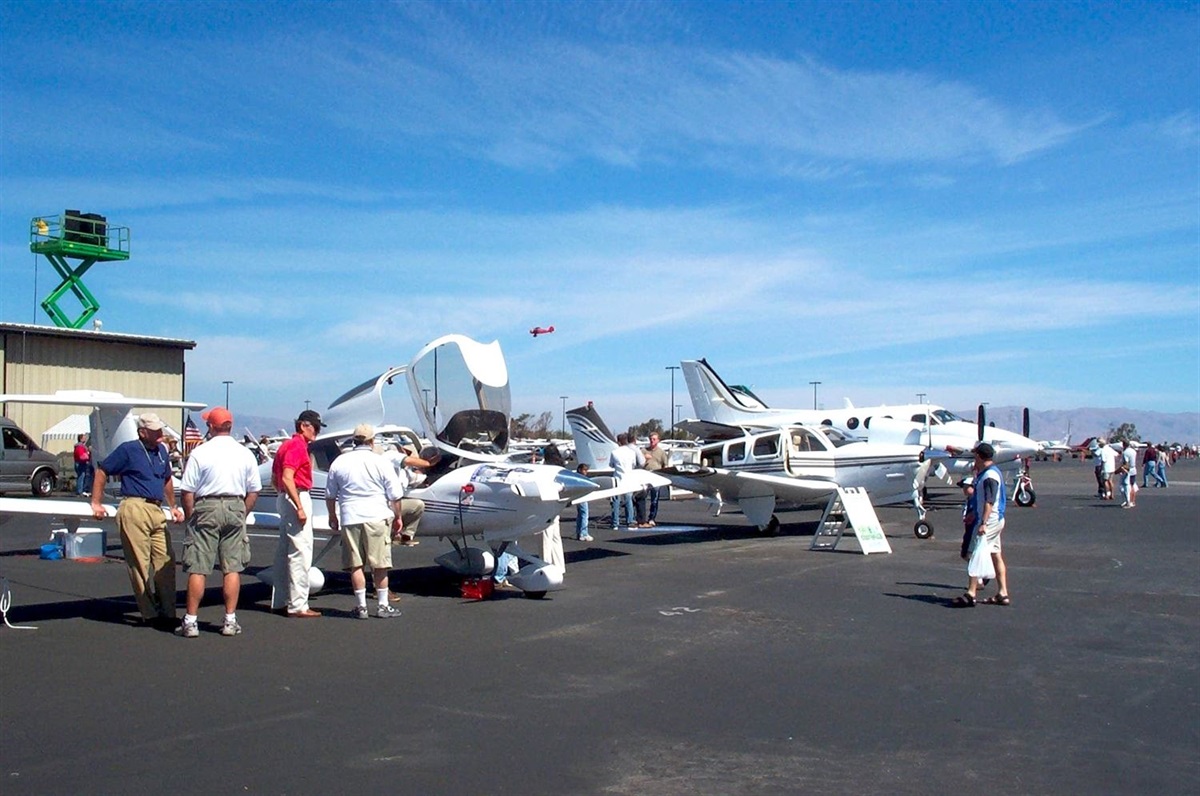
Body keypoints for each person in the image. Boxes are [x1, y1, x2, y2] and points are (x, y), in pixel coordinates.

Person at [90, 413, 183, 627]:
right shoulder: (128, 449)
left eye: (160, 430)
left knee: (166, 561)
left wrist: (173, 506)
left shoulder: (161, 451)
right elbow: (103, 470)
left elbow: (166, 478)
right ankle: (149, 614)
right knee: (140, 564)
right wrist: (96, 502)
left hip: (156, 509)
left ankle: (168, 612)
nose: (160, 434)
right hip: (135, 506)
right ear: (143, 433)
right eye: (155, 431)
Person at [176, 407, 261, 638]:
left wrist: (191, 514)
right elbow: (254, 490)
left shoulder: (201, 452)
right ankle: (230, 620)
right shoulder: (245, 453)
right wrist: (242, 512)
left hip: (207, 506)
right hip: (235, 504)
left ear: (211, 427)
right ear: (230, 426)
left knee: (198, 566)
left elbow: (187, 491)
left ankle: (191, 621)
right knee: (232, 566)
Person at [325, 424, 403, 619]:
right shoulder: (381, 462)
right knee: (380, 564)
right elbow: (395, 495)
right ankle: (383, 606)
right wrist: (398, 517)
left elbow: (330, 494)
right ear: (371, 441)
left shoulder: (339, 462)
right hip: (377, 515)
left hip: (350, 516)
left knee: (355, 564)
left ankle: (361, 607)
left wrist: (332, 516)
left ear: (354, 440)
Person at [270, 409, 324, 618]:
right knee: (300, 551)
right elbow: (286, 477)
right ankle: (298, 604)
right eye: (315, 428)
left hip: (285, 498)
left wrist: (285, 497)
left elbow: (277, 480)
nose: (316, 433)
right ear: (303, 426)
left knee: (284, 551)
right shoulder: (297, 446)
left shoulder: (285, 446)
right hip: (297, 496)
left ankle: (281, 599)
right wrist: (298, 505)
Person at [954, 442, 1009, 607]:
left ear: (979, 456)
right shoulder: (987, 473)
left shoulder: (989, 476)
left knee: (974, 553)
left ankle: (971, 593)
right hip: (994, 519)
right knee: (995, 554)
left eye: (975, 455)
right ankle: (1002, 593)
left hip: (990, 520)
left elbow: (989, 501)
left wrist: (983, 523)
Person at [383, 443, 439, 546]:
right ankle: (398, 535)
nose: (408, 454)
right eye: (406, 452)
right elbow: (408, 461)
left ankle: (404, 537)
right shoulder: (389, 455)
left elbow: (416, 478)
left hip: (393, 502)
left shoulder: (402, 471)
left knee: (415, 505)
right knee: (418, 505)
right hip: (386, 504)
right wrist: (428, 463)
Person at [609, 433, 643, 529]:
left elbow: (611, 465)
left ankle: (615, 522)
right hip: (628, 479)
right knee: (629, 500)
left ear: (618, 442)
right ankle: (630, 520)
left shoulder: (614, 452)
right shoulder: (631, 452)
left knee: (616, 501)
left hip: (618, 479)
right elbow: (633, 464)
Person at [639, 432, 669, 527]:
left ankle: (652, 518)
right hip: (644, 476)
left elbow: (665, 465)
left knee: (654, 499)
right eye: (651, 439)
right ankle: (640, 518)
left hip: (656, 477)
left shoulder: (661, 452)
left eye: (654, 439)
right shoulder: (643, 451)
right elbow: (638, 463)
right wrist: (644, 459)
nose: (652, 441)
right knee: (641, 498)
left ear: (658, 440)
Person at [575, 463, 594, 541]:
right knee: (584, 515)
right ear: (580, 470)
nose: (586, 472)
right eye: (584, 470)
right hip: (582, 498)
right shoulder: (581, 478)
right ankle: (584, 533)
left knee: (580, 515)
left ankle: (579, 532)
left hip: (578, 498)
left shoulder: (575, 477)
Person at [1119, 441, 1138, 508]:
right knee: (1132, 485)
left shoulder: (1125, 453)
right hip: (1133, 469)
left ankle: (1128, 502)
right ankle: (1132, 501)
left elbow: (1126, 463)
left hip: (1128, 470)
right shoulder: (1133, 451)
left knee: (1126, 486)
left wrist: (1121, 469)